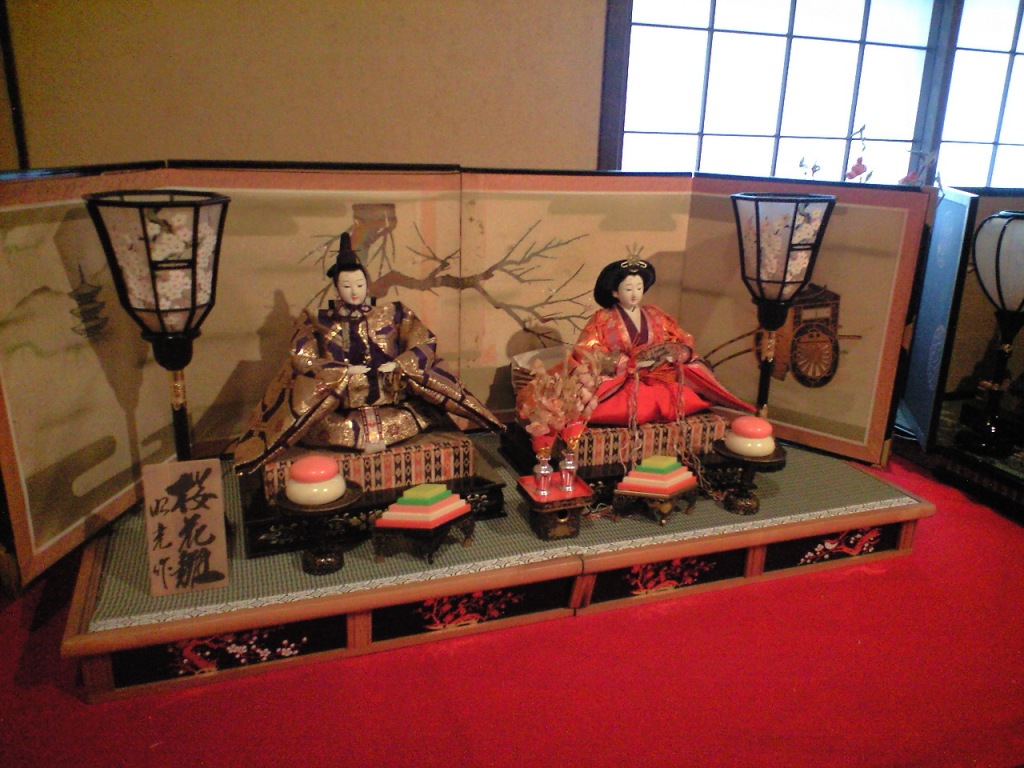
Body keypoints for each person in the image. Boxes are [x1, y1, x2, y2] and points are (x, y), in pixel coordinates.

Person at [232, 233, 503, 473]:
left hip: (394, 405)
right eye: (347, 286)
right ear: (336, 287)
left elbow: (424, 341)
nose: (354, 292)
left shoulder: (393, 313)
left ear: (367, 284)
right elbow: (302, 358)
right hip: (338, 411)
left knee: (416, 417)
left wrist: (400, 364)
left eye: (360, 285)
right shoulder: (316, 321)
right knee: (324, 429)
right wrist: (341, 371)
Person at [572, 255, 754, 426]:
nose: (634, 294)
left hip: (659, 375)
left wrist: (675, 352)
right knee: (621, 407)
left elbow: (682, 339)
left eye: (639, 288)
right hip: (623, 380)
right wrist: (623, 363)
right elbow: (585, 350)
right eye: (628, 289)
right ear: (615, 292)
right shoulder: (603, 319)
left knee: (680, 399)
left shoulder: (655, 314)